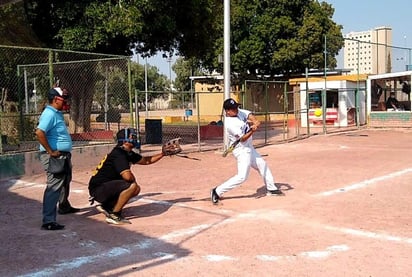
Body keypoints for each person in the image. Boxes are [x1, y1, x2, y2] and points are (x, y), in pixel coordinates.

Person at [211, 98, 284, 204]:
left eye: (236, 107)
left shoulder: (238, 112)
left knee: (262, 165)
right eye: (233, 109)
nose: (236, 109)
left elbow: (248, 114)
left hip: (249, 147)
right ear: (227, 111)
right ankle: (217, 191)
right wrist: (252, 130)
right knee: (242, 177)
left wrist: (255, 121)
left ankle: (271, 188)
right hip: (241, 149)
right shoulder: (230, 124)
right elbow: (243, 138)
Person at [88, 128, 166, 225]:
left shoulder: (127, 152)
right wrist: (133, 181)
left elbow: (146, 160)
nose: (135, 139)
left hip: (104, 187)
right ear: (124, 141)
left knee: (136, 188)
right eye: (132, 137)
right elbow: (127, 177)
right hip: (98, 189)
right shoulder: (119, 154)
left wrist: (163, 154)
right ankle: (114, 215)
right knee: (131, 186)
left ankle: (107, 205)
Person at [35, 86, 80, 231]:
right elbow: (39, 132)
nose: (66, 102)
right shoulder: (49, 113)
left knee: (65, 180)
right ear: (55, 99)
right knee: (54, 186)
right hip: (54, 156)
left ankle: (64, 206)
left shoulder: (57, 113)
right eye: (64, 99)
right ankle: (48, 220)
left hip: (63, 155)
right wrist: (50, 151)